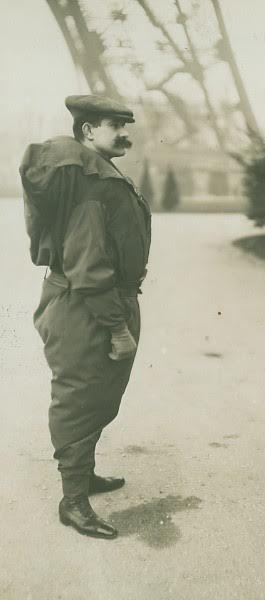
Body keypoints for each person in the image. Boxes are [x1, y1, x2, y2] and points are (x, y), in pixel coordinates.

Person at [20, 95, 151, 539]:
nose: (125, 133)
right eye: (115, 125)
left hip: (101, 302)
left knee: (99, 395)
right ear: (88, 131)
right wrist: (117, 329)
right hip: (86, 307)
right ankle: (73, 501)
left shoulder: (100, 173)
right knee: (79, 398)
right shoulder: (91, 186)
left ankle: (84, 475)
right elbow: (89, 267)